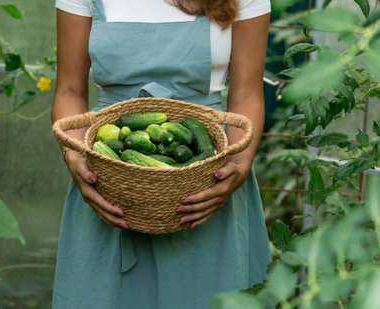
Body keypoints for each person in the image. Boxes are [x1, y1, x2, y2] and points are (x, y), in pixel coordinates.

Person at [51, 0, 271, 308]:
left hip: (206, 184)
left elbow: (247, 93)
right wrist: (74, 157)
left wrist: (239, 163)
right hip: (108, 179)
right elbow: (69, 91)